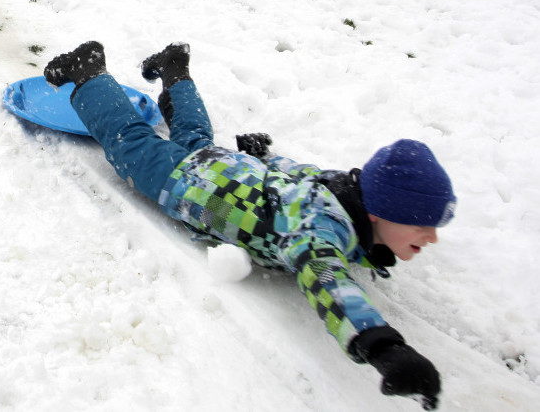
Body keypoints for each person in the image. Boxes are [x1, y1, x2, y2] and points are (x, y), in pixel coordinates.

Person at [43, 41, 457, 410]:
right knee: (132, 144)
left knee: (194, 136)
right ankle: (89, 73)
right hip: (195, 189)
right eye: (421, 224)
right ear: (378, 212)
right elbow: (327, 280)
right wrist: (384, 347)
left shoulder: (340, 187)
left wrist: (264, 157)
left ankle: (175, 71)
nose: (431, 236)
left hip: (232, 172)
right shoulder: (319, 229)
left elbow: (299, 173)